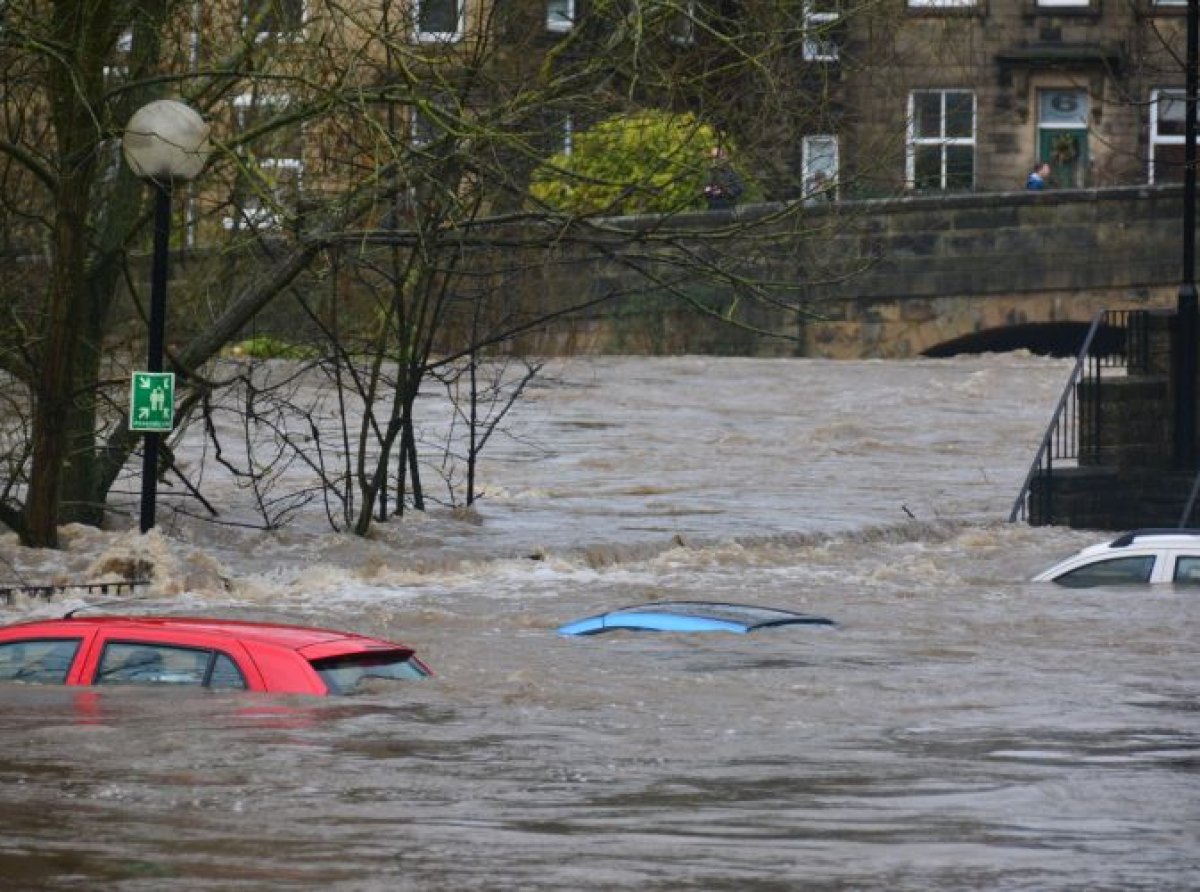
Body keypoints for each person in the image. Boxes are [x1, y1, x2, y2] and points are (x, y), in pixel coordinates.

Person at [703, 145, 744, 210]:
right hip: (712, 209)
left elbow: (740, 188)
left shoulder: (731, 172)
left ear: (724, 157)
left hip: (728, 209)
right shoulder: (710, 173)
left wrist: (723, 191)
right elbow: (705, 190)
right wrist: (708, 190)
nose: (715, 160)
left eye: (717, 157)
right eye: (713, 157)